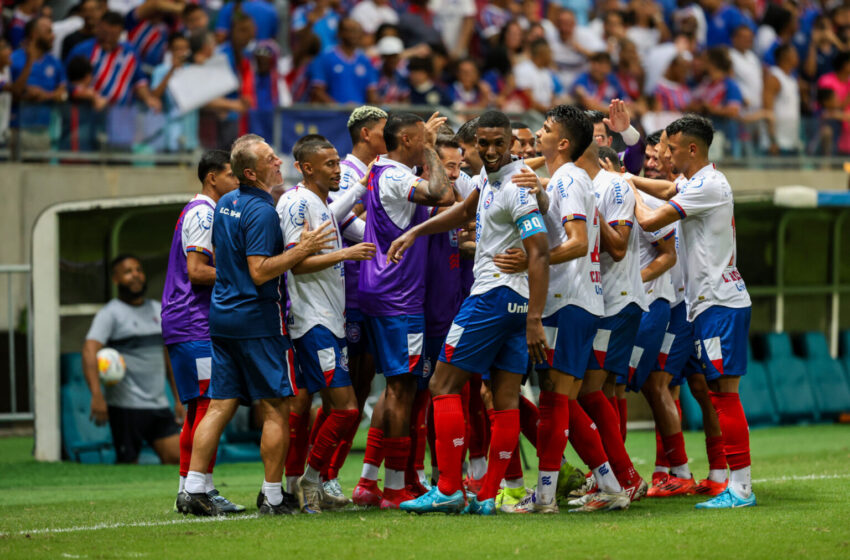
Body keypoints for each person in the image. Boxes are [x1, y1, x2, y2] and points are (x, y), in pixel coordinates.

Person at [393, 110, 550, 516]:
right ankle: (485, 497)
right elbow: (463, 213)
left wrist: (536, 318)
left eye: (500, 142)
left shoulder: (515, 186)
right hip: (511, 305)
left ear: (512, 143)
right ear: (473, 144)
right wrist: (414, 232)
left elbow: (540, 251)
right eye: (485, 143)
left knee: (441, 386)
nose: (492, 150)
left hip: (494, 298)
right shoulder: (487, 180)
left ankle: (447, 487)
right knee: (506, 400)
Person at [177, 135, 336, 516]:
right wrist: (303, 249)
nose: (279, 162)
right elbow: (260, 270)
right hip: (258, 319)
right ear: (251, 172)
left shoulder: (227, 203)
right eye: (270, 159)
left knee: (218, 404)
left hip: (223, 315)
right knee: (277, 406)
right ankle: (273, 495)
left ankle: (194, 488)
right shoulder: (262, 211)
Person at [631, 114, 755, 509]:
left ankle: (740, 487)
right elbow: (666, 188)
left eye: (670, 148)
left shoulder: (707, 186)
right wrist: (632, 180)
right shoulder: (696, 181)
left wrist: (622, 187)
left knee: (724, 396)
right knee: (716, 392)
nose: (665, 154)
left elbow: (650, 218)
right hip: (708, 304)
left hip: (718, 303)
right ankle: (731, 481)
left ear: (691, 148)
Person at [510, 105, 626, 514]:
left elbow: (576, 241)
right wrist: (540, 195)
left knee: (555, 402)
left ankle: (544, 497)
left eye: (544, 129)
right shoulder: (564, 179)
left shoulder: (570, 178)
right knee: (561, 402)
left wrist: (530, 261)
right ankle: (612, 487)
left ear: (561, 143)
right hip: (574, 300)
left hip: (569, 300)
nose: (537, 135)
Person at [351, 111, 455, 509]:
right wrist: (431, 149)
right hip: (398, 295)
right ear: (409, 141)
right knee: (402, 389)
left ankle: (368, 481)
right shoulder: (395, 174)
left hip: (384, 291)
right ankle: (395, 487)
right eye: (420, 138)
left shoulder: (381, 171)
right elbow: (441, 194)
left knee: (397, 387)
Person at [277, 137, 376, 513]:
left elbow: (337, 210)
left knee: (327, 406)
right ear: (305, 167)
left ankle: (300, 483)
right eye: (329, 164)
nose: (337, 169)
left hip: (330, 321)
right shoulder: (297, 202)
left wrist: (362, 184)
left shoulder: (318, 203)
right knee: (347, 408)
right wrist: (347, 253)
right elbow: (295, 262)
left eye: (338, 162)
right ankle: (311, 478)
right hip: (312, 321)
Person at [162, 150, 241, 512]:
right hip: (193, 321)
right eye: (232, 176)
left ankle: (192, 489)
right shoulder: (202, 213)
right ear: (212, 178)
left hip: (197, 322)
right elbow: (197, 270)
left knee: (202, 407)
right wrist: (245, 275)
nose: (238, 182)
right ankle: (198, 490)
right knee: (207, 407)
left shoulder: (207, 212)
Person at [574, 116, 648, 502]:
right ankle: (611, 477)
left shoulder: (613, 185)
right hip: (598, 301)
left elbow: (618, 246)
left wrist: (590, 211)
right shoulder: (582, 186)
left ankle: (625, 477)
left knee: (588, 391)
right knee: (589, 391)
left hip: (617, 302)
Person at [82, 255, 183, 465]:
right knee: (128, 465)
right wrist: (96, 395)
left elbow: (168, 356)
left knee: (177, 457)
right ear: (116, 279)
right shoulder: (110, 314)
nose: (135, 275)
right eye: (128, 272)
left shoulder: (158, 310)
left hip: (159, 404)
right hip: (126, 406)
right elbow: (89, 349)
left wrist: (178, 398)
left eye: (138, 270)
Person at [65, 11, 160, 109]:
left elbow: (139, 81)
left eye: (113, 35)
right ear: (98, 28)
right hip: (88, 112)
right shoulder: (82, 50)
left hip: (122, 114)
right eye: (105, 34)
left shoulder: (130, 52)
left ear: (120, 33)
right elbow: (67, 83)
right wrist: (92, 96)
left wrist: (148, 98)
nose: (108, 39)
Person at [10, 16, 66, 149]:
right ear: (34, 34)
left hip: (45, 131)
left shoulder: (55, 63)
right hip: (16, 128)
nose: (53, 36)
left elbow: (63, 94)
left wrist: (45, 95)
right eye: (49, 32)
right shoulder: (14, 59)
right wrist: (25, 95)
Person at [309, 18, 379, 105]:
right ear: (339, 33)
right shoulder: (324, 58)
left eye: (357, 31)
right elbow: (317, 91)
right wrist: (339, 109)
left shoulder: (365, 61)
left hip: (359, 116)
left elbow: (371, 93)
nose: (354, 34)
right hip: (334, 116)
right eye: (350, 30)